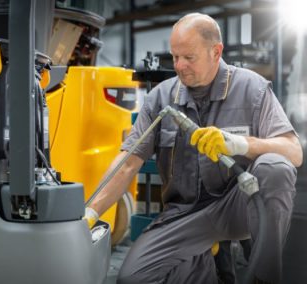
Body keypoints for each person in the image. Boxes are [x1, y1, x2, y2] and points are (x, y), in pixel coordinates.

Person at [84, 13, 302, 284]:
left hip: (239, 205)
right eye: (175, 57)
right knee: (133, 278)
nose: (179, 66)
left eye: (189, 57)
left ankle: (265, 278)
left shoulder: (251, 88)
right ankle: (204, 268)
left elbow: (293, 151)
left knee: (276, 167)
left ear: (216, 51)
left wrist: (242, 144)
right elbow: (128, 163)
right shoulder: (161, 98)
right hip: (185, 214)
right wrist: (90, 213)